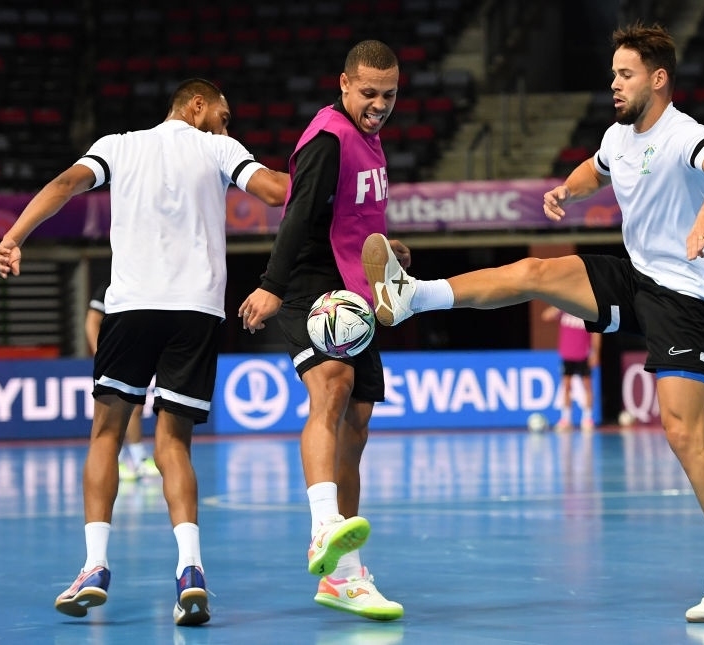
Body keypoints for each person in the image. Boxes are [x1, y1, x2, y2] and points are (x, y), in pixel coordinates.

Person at [361, 23, 704, 623]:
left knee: (682, 433)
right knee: (534, 270)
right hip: (637, 276)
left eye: (625, 75)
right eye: (612, 75)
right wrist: (567, 191)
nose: (614, 85)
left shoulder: (684, 135)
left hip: (686, 293)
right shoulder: (618, 135)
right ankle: (413, 295)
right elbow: (596, 168)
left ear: (658, 79)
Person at [0, 78, 288, 626]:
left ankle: (94, 566)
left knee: (106, 434)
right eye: (223, 116)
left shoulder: (117, 145)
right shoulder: (219, 148)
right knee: (172, 445)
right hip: (197, 311)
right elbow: (275, 191)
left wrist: (15, 235)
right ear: (196, 105)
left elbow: (63, 184)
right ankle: (191, 572)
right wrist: (332, 188)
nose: (229, 128)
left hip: (130, 308)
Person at [238, 40, 405, 621]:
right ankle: (323, 524)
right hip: (312, 280)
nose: (379, 104)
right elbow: (301, 214)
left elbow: (354, 215)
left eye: (388, 94)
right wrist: (271, 285)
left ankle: (344, 576)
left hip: (357, 287)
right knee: (331, 388)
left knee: (358, 419)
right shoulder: (330, 137)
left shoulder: (372, 140)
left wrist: (386, 251)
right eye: (368, 93)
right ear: (343, 84)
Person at [85, 281, 161, 481]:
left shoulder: (148, 281)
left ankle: (135, 459)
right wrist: (100, 354)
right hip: (115, 356)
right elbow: (91, 321)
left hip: (138, 352)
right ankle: (127, 460)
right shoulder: (112, 283)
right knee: (115, 412)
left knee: (134, 408)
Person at [541, 305, 601, 431]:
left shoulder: (587, 312)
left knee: (587, 386)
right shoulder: (564, 309)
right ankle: (566, 419)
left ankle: (587, 419)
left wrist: (595, 352)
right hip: (567, 354)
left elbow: (596, 333)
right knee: (566, 386)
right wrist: (559, 304)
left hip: (584, 354)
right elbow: (545, 316)